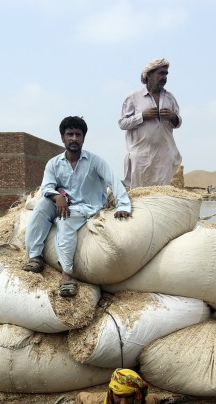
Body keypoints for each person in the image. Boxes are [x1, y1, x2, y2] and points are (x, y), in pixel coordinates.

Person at [23, 116, 131, 297]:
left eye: (77, 135)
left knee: (65, 220)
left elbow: (114, 182)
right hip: (61, 203)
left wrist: (124, 206)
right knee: (41, 206)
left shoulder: (95, 162)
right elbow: (46, 187)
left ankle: (67, 275)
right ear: (63, 138)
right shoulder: (54, 163)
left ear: (83, 138)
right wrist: (58, 197)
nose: (74, 138)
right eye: (69, 134)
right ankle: (35, 257)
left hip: (86, 207)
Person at [118, 58, 183, 188]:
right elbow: (122, 124)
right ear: (149, 75)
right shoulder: (134, 97)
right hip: (141, 157)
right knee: (140, 194)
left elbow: (178, 122)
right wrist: (142, 116)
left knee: (164, 195)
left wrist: (173, 117)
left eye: (166, 74)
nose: (164, 77)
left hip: (165, 155)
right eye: (161, 73)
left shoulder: (170, 98)